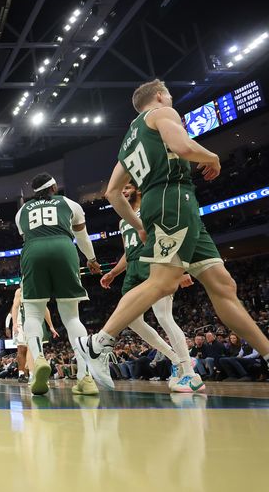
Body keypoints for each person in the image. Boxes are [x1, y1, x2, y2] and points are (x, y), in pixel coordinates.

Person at [77, 79, 269, 388]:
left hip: (168, 203)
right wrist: (212, 157)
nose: (171, 99)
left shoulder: (129, 139)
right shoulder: (162, 113)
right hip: (173, 197)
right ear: (158, 96)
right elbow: (182, 147)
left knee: (223, 284)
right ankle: (98, 342)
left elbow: (113, 193)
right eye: (168, 94)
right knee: (163, 282)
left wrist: (138, 225)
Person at [99, 181, 203, 392]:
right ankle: (175, 360)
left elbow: (168, 238)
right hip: (133, 270)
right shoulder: (123, 221)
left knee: (164, 317)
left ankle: (191, 374)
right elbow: (128, 254)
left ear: (137, 190)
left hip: (154, 263)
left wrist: (179, 270)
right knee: (132, 320)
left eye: (127, 188)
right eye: (122, 189)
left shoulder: (149, 208)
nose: (124, 191)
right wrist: (113, 272)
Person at [14, 173, 102, 396]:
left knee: (33, 314)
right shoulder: (70, 204)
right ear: (54, 186)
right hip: (64, 248)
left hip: (33, 250)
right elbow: (82, 237)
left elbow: (27, 235)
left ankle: (39, 360)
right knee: (72, 317)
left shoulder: (21, 212)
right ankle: (85, 377)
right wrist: (91, 259)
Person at [9, 287, 58, 383]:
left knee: (34, 348)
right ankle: (23, 373)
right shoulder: (20, 291)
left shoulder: (39, 289)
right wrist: (14, 323)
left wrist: (51, 326)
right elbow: (14, 307)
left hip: (36, 321)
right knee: (22, 348)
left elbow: (45, 308)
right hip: (20, 322)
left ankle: (33, 374)